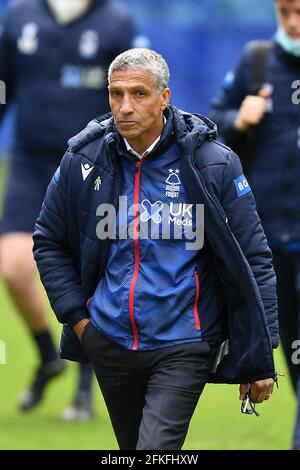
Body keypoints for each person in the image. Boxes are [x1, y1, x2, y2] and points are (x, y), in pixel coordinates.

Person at [33, 48, 278, 450]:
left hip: (184, 344)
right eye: (116, 94)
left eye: (139, 94)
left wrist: (260, 354)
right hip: (107, 341)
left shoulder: (212, 162)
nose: (125, 107)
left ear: (164, 97)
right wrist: (81, 323)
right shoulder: (83, 158)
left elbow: (255, 257)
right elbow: (48, 240)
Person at [0, 0, 143, 420]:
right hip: (29, 160)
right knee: (12, 266)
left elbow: (135, 93)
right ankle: (49, 356)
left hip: (91, 161)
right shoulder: (20, 15)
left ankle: (84, 387)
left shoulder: (116, 21)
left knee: (89, 272)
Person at [210, 0, 300, 450]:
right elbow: (213, 131)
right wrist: (237, 119)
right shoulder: (258, 61)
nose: (292, 23)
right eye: (284, 11)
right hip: (268, 240)